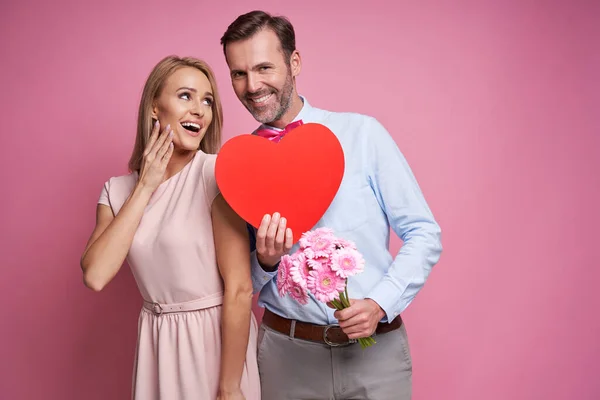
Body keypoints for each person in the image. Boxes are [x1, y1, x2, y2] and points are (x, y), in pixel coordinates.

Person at [220, 11, 443, 400]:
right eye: (238, 73)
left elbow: (424, 233)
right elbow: (241, 286)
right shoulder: (235, 169)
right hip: (286, 360)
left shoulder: (363, 134)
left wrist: (379, 303)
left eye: (263, 68)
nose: (252, 85)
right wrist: (266, 261)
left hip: (376, 357)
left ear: (294, 63)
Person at [80, 55, 260, 400]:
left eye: (207, 100)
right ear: (153, 107)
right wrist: (145, 186)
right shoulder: (116, 191)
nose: (199, 110)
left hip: (216, 343)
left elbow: (239, 288)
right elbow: (95, 276)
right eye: (185, 96)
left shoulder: (216, 175)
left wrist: (230, 386)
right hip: (157, 344)